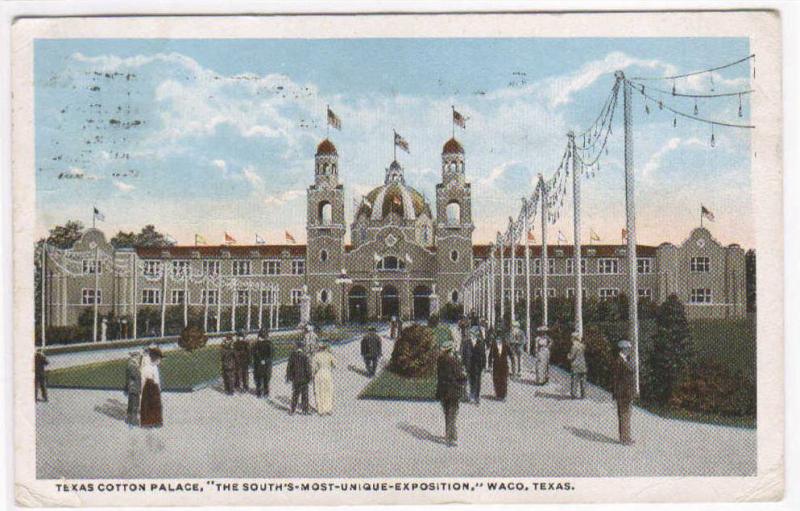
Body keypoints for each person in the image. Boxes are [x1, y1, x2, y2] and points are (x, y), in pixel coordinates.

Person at [435, 341, 467, 447]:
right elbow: (459, 375)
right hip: (452, 390)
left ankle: (452, 434)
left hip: (443, 389)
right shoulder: (454, 361)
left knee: (447, 413)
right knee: (452, 414)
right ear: (450, 350)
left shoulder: (440, 360)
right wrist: (464, 376)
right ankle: (449, 438)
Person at [613, 340, 637, 445]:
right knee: (624, 415)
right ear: (623, 349)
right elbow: (617, 378)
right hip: (623, 393)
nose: (629, 351)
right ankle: (625, 439)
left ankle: (625, 437)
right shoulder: (619, 361)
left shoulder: (625, 360)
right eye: (628, 349)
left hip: (626, 392)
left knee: (626, 415)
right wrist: (617, 392)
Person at [139, 345, 164, 428]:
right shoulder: (147, 367)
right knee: (148, 406)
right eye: (159, 359)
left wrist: (159, 387)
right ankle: (148, 422)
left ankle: (156, 421)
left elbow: (157, 379)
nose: (160, 361)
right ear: (155, 359)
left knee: (156, 406)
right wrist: (142, 390)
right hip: (149, 389)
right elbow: (144, 380)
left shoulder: (155, 367)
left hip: (155, 389)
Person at [286, 340, 312, 414]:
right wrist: (309, 377)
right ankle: (305, 410)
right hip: (304, 378)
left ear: (296, 347)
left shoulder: (292, 356)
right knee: (305, 395)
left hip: (295, 378)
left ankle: (292, 410)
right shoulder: (305, 356)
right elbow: (308, 368)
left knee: (295, 394)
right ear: (302, 348)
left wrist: (289, 377)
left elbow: (289, 367)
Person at [312, 343, 337, 415]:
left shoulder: (316, 356)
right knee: (328, 391)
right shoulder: (329, 355)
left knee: (319, 391)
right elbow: (335, 364)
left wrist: (313, 374)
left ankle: (321, 409)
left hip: (319, 373)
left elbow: (314, 367)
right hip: (327, 372)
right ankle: (328, 408)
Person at [466, 324, 486, 404]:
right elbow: (463, 354)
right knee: (471, 381)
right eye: (471, 333)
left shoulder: (480, 343)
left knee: (477, 381)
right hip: (469, 365)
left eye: (473, 333)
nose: (472, 335)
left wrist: (484, 366)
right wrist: (463, 365)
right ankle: (471, 395)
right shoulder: (466, 343)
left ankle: (477, 397)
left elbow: (483, 355)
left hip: (478, 365)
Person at [488, 335, 512, 400]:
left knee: (504, 380)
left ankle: (503, 395)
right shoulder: (493, 346)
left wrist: (512, 365)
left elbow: (511, 354)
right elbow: (490, 355)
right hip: (496, 365)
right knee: (496, 380)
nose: (499, 340)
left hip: (504, 365)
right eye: (497, 339)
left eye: (500, 339)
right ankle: (498, 394)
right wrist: (489, 366)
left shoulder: (506, 345)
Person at [252, 328, 274, 398]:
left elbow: (253, 353)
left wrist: (260, 359)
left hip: (258, 363)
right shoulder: (269, 343)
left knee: (258, 378)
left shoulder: (256, 344)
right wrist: (265, 360)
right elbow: (271, 354)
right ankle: (266, 392)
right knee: (266, 379)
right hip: (267, 364)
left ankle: (259, 393)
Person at [567, 332, 588, 399]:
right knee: (583, 381)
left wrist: (568, 356)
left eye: (571, 337)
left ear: (573, 338)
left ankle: (573, 394)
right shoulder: (582, 345)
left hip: (575, 365)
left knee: (574, 381)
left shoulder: (574, 346)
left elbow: (571, 357)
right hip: (583, 365)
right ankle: (583, 395)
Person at [124, 350, 142, 425]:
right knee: (134, 403)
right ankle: (133, 420)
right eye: (137, 357)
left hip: (133, 387)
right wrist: (141, 373)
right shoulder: (132, 365)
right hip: (134, 387)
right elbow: (135, 376)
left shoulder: (133, 364)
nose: (139, 358)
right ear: (134, 357)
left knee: (132, 403)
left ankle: (130, 418)